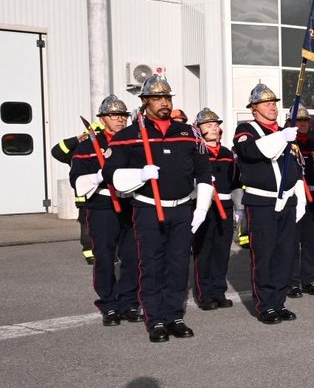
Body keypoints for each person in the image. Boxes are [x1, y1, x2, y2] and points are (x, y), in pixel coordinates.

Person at [104, 75, 213, 343]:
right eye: (157, 98)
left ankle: (174, 315)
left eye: (167, 98)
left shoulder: (189, 133)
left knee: (178, 265)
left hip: (182, 208)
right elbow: (111, 174)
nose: (164, 102)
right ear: (144, 102)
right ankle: (155, 319)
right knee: (152, 265)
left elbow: (204, 173)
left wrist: (201, 208)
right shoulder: (129, 136)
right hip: (148, 209)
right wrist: (140, 175)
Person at [232, 84, 305, 324]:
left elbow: (294, 166)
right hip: (261, 202)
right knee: (264, 254)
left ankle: (279, 301)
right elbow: (251, 152)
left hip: (287, 201)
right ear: (254, 108)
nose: (272, 106)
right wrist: (281, 137)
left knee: (285, 254)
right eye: (266, 103)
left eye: (274, 102)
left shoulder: (286, 131)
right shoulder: (246, 129)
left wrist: (298, 196)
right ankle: (265, 305)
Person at [70, 95, 138, 326]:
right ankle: (108, 304)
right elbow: (76, 178)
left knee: (132, 256)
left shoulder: (133, 142)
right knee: (105, 257)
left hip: (130, 203)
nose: (119, 119)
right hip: (102, 205)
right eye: (113, 115)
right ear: (102, 119)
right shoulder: (89, 146)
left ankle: (129, 302)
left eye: (123, 115)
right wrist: (99, 176)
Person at [191, 108, 240, 311]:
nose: (214, 128)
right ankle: (204, 294)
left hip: (225, 206)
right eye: (208, 125)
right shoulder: (195, 152)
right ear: (198, 129)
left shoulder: (228, 153)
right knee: (204, 251)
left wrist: (240, 208)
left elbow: (236, 180)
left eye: (216, 125)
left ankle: (218, 291)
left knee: (221, 251)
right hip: (204, 207)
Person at [289, 105, 314, 298]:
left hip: (313, 197)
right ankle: (292, 282)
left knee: (310, 241)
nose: (303, 123)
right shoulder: (287, 143)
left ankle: (309, 280)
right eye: (299, 120)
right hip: (294, 197)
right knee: (292, 241)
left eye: (306, 120)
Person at [53, 125, 100, 265]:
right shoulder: (79, 152)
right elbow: (57, 152)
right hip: (85, 199)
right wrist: (76, 140)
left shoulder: (105, 150)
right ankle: (90, 253)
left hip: (103, 196)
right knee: (87, 224)